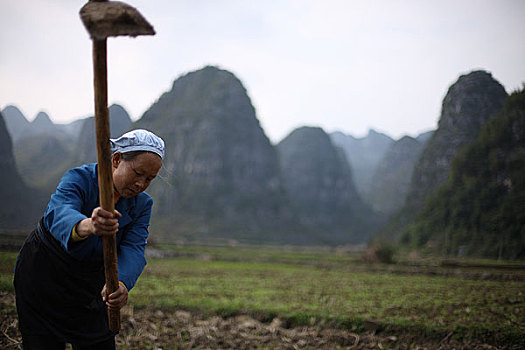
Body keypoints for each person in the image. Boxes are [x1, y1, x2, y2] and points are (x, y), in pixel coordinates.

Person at [14, 129, 165, 349]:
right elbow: (59, 211)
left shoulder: (142, 205)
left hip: (91, 286)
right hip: (45, 275)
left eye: (149, 179)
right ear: (116, 159)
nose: (140, 184)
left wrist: (121, 282)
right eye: (138, 173)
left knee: (98, 341)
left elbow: (133, 248)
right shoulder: (79, 178)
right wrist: (88, 225)